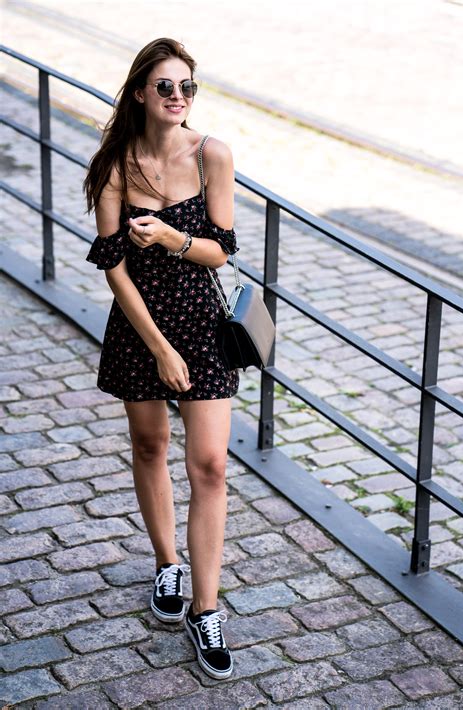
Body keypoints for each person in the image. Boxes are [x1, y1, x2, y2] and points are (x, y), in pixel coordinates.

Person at [83, 37, 239, 681]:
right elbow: (112, 265)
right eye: (166, 87)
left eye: (187, 88)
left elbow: (222, 251)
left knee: (209, 463)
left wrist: (175, 237)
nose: (178, 98)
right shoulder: (116, 163)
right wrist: (158, 347)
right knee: (150, 446)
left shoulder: (212, 154)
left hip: (199, 323)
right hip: (141, 327)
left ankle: (207, 609)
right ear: (141, 93)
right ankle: (166, 565)